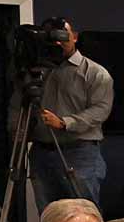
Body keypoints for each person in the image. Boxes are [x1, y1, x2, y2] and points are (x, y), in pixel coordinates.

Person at [13, 18, 112, 204]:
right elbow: (17, 105)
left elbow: (101, 109)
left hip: (80, 151)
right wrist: (17, 135)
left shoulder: (95, 73)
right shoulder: (34, 71)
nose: (58, 43)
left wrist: (65, 122)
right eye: (52, 38)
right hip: (42, 152)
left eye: (63, 37)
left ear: (74, 37)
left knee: (83, 210)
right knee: (49, 213)